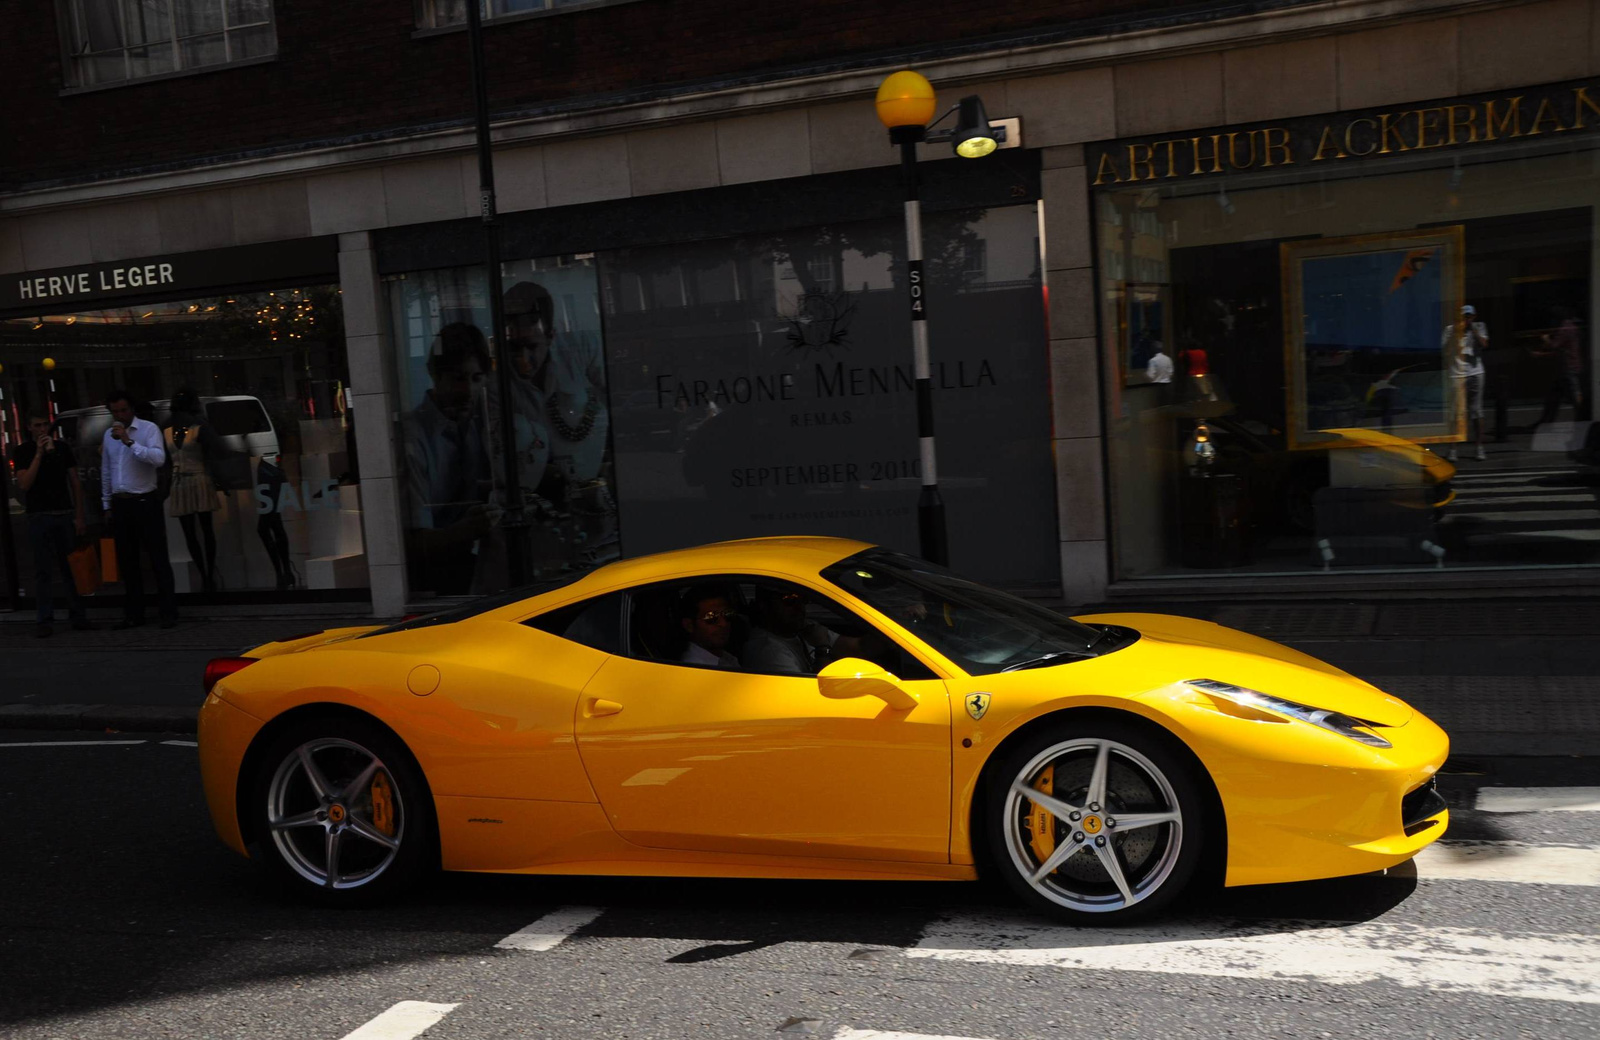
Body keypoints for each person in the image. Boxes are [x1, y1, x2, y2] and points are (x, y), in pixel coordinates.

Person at [402, 323, 497, 595]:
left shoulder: (474, 426)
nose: (468, 390)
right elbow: (411, 541)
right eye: (458, 378)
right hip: (433, 584)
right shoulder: (413, 439)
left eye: (477, 379)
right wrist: (466, 530)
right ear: (435, 375)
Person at [10, 411, 90, 637]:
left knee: (70, 568)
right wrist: (38, 454)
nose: (43, 429)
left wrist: (80, 516)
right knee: (43, 570)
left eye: (45, 425)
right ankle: (44, 619)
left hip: (63, 513)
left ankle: (78, 615)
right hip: (39, 515)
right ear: (30, 428)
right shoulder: (23, 451)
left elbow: (74, 481)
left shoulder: (62, 448)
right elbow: (24, 484)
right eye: (38, 425)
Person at [101, 389, 176, 629]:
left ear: (131, 409)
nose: (120, 416)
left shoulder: (148, 429)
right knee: (128, 560)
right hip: (121, 501)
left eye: (123, 410)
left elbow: (158, 459)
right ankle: (134, 612)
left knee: (157, 557)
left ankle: (168, 611)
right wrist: (106, 502)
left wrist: (130, 442)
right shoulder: (107, 436)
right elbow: (107, 469)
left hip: (145, 499)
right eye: (115, 412)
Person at [166, 389, 221, 593]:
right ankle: (205, 574)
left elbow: (215, 450)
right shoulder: (177, 428)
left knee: (203, 531)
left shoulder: (196, 427)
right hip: (182, 480)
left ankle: (208, 574)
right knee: (193, 532)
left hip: (196, 478)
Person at [741, 585, 861, 675]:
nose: (799, 607)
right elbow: (815, 693)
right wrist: (822, 649)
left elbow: (858, 648)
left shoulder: (802, 629)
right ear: (764, 606)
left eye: (802, 599)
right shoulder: (767, 650)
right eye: (789, 600)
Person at [1442, 304, 1488, 461]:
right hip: (1457, 374)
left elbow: (1484, 344)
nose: (1467, 320)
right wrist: (1456, 332)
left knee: (1477, 410)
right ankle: (1453, 449)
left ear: (1473, 317)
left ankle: (1479, 448)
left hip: (1476, 372)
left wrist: (1472, 330)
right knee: (1456, 412)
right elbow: (1445, 352)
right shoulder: (1450, 330)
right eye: (1464, 317)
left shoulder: (1479, 327)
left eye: (1469, 317)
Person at [1535, 306, 1584, 425]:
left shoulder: (1565, 328)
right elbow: (1560, 349)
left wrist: (1546, 339)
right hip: (1567, 366)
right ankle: (1547, 420)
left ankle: (1583, 417)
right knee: (1555, 394)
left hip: (1569, 367)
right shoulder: (1570, 326)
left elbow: (1554, 346)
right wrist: (1541, 354)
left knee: (1574, 394)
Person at [677, 585, 740, 668]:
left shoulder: (726, 658)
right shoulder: (693, 669)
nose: (724, 623)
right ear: (689, 625)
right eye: (711, 617)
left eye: (727, 614)